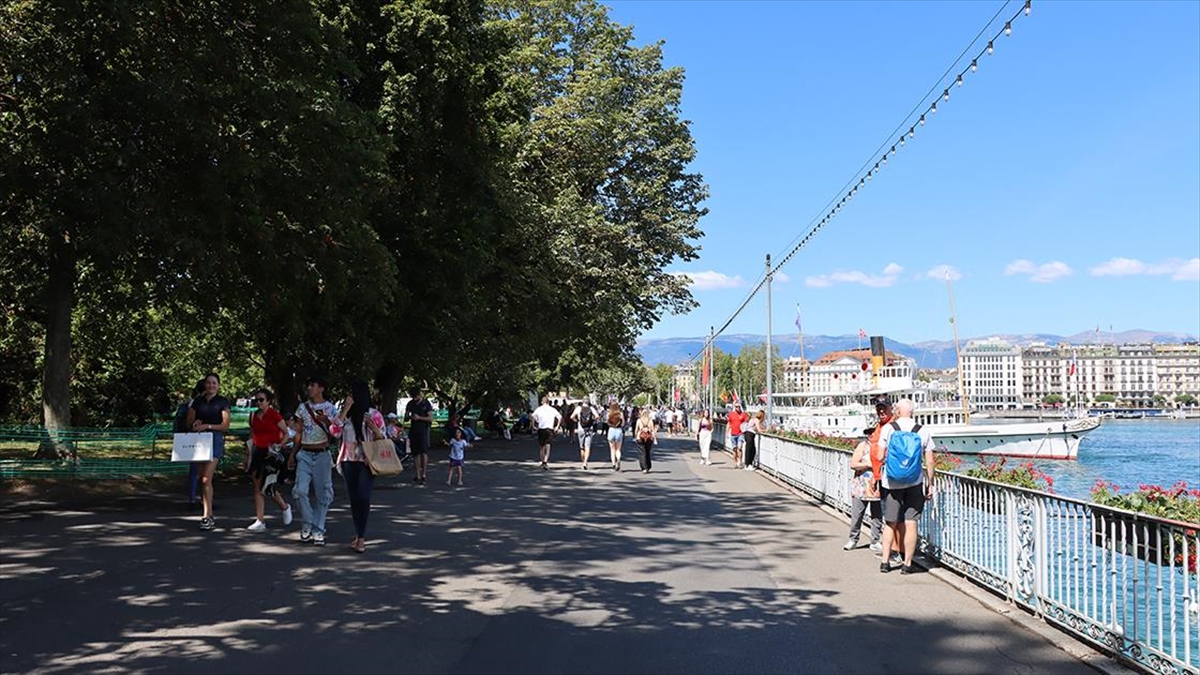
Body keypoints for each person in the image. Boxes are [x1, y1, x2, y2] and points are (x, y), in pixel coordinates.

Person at [876, 398, 934, 575]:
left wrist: (892, 463)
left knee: (890, 523)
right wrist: (930, 484)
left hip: (891, 483)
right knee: (911, 523)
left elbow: (879, 456)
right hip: (914, 482)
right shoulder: (922, 430)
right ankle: (907, 564)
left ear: (898, 411)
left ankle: (885, 562)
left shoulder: (889, 428)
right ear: (912, 412)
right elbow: (930, 461)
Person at [334, 379, 384, 555]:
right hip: (348, 460)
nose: (349, 396)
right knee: (354, 499)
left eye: (352, 393)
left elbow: (383, 438)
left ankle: (361, 538)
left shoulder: (374, 414)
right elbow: (334, 432)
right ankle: (358, 535)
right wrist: (345, 409)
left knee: (363, 496)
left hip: (367, 461)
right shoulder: (346, 415)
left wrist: (374, 428)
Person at [292, 376, 338, 546]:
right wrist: (292, 454)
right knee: (300, 490)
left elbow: (337, 431)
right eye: (308, 385)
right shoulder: (302, 408)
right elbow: (298, 432)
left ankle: (318, 529)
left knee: (323, 493)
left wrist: (327, 421)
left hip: (322, 454)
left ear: (321, 388)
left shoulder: (330, 408)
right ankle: (308, 522)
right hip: (305, 453)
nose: (309, 388)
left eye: (313, 385)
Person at [244, 388, 293, 531]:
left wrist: (279, 445)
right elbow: (252, 435)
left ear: (268, 401)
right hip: (257, 451)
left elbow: (286, 433)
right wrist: (247, 454)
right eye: (256, 400)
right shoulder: (253, 415)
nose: (258, 403)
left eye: (261, 400)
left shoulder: (274, 415)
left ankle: (284, 507)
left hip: (271, 453)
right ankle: (260, 519)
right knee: (258, 485)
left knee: (266, 484)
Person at [185, 373, 230, 531]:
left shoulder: (222, 401)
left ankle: (207, 515)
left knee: (206, 479)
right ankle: (208, 515)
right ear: (205, 385)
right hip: (199, 441)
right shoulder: (197, 401)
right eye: (208, 382)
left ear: (218, 385)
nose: (211, 385)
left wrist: (208, 426)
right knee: (203, 479)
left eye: (214, 383)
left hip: (215, 440)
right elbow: (189, 423)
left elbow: (225, 426)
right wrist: (195, 424)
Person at [845, 430, 883, 552]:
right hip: (861, 486)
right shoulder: (862, 446)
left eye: (874, 432)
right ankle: (853, 539)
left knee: (877, 515)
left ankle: (875, 541)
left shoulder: (882, 446)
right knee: (857, 514)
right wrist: (868, 464)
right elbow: (853, 464)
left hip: (878, 486)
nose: (871, 435)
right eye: (869, 433)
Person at [176, 379, 204, 510]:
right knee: (199, 470)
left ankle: (194, 499)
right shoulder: (197, 403)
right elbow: (189, 422)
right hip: (198, 437)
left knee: (196, 471)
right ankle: (199, 499)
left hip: (197, 437)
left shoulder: (193, 402)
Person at [405, 389, 434, 485]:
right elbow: (406, 417)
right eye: (413, 397)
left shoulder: (426, 404)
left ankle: (424, 474)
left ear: (419, 395)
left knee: (424, 452)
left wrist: (419, 418)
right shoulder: (410, 404)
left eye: (416, 397)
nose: (414, 399)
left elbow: (430, 418)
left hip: (423, 430)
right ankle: (417, 475)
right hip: (414, 430)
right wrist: (409, 417)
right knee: (415, 453)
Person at [531, 396, 561, 470]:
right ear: (548, 402)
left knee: (542, 446)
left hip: (541, 429)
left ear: (542, 402)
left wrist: (533, 425)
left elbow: (533, 417)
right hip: (549, 429)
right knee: (548, 446)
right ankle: (545, 461)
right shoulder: (552, 409)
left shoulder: (539, 409)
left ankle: (542, 461)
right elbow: (559, 417)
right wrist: (557, 426)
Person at [571, 400, 597, 470]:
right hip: (589, 429)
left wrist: (577, 421)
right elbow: (597, 416)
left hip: (581, 429)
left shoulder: (578, 408)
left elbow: (572, 417)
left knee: (582, 447)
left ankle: (583, 462)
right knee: (587, 447)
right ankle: (585, 462)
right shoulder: (591, 408)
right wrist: (592, 421)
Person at [727, 403, 749, 468]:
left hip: (740, 434)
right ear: (735, 407)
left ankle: (740, 462)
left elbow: (746, 423)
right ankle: (735, 462)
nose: (738, 408)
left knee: (739, 448)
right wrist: (727, 432)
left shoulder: (743, 414)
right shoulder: (731, 414)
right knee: (734, 449)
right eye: (736, 407)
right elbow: (729, 423)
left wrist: (745, 431)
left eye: (739, 406)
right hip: (733, 434)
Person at [634, 409, 657, 473]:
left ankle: (644, 467)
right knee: (647, 452)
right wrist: (655, 439)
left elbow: (636, 429)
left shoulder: (639, 420)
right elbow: (653, 430)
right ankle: (648, 466)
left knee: (642, 453)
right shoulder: (650, 420)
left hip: (640, 437)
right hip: (649, 438)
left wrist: (636, 436)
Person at [605, 403, 624, 471]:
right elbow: (623, 424)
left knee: (612, 449)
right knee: (618, 449)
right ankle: (618, 459)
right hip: (618, 430)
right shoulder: (620, 414)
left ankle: (613, 465)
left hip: (611, 430)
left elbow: (607, 422)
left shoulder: (609, 414)